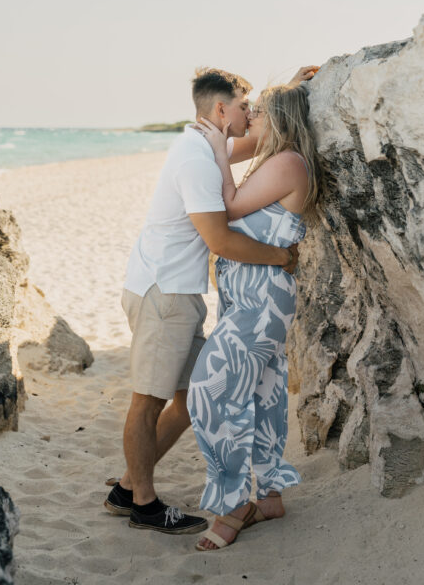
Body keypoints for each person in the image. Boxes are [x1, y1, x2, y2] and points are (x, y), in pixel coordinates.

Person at [104, 65, 318, 536]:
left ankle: (127, 485)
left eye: (256, 108)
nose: (250, 113)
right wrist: (281, 256)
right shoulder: (199, 161)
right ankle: (141, 502)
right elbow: (220, 239)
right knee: (150, 401)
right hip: (166, 293)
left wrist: (294, 88)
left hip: (186, 295)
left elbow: (266, 138)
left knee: (185, 402)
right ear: (222, 110)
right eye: (245, 107)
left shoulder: (206, 146)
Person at [187, 79, 320, 552]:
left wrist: (221, 154)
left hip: (262, 301)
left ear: (280, 120)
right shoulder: (275, 159)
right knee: (263, 393)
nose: (251, 118)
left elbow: (228, 206)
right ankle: (269, 495)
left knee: (208, 392)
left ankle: (233, 503)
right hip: (252, 297)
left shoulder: (287, 162)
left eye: (259, 112)